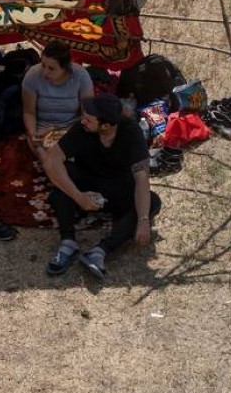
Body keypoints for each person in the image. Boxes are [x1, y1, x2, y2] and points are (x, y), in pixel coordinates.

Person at [41, 93, 161, 278]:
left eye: (89, 119)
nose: (83, 121)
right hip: (86, 179)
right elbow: (52, 160)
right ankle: (68, 242)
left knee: (151, 202)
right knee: (60, 183)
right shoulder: (82, 129)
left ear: (105, 126)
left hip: (117, 186)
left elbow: (142, 177)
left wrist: (144, 220)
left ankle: (100, 251)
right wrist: (78, 197)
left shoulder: (131, 132)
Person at [21, 40, 94, 155]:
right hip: (43, 129)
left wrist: (67, 132)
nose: (45, 72)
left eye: (51, 68)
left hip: (72, 127)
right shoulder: (33, 75)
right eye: (43, 65)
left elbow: (88, 113)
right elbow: (29, 113)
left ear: (65, 67)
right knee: (45, 153)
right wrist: (33, 132)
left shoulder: (80, 76)